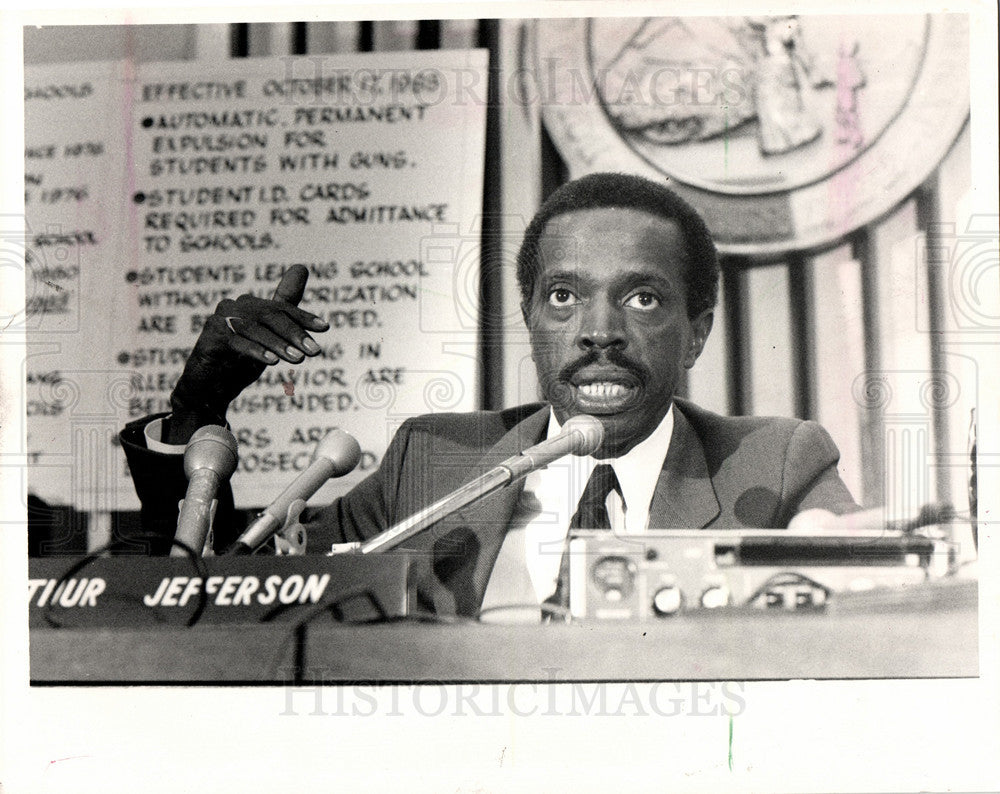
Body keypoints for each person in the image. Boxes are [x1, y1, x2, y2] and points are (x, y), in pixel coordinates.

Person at [120, 172, 860, 615]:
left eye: (641, 300)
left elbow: (867, 616)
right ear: (532, 319)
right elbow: (222, 599)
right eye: (564, 296)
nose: (598, 333)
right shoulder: (431, 462)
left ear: (696, 332)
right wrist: (197, 413)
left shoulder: (776, 466)